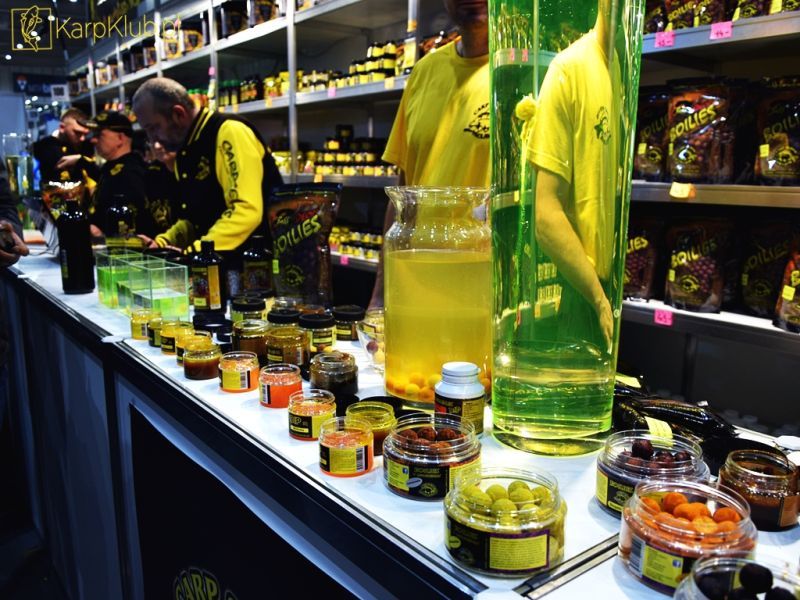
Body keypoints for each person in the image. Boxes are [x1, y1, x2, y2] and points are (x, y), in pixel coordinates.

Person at [369, 0, 490, 308]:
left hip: (486, 284)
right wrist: (380, 294)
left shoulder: (526, 73)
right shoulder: (424, 71)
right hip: (420, 278)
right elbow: (403, 193)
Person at [526, 0, 625, 350]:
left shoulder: (613, 63)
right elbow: (546, 217)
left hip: (603, 290)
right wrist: (598, 300)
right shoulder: (569, 68)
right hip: (579, 295)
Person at [131, 77, 283, 254]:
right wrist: (162, 243)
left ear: (178, 114)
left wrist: (195, 252)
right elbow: (195, 219)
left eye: (153, 127)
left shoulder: (229, 131)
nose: (152, 139)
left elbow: (245, 211)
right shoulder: (185, 148)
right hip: (216, 262)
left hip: (256, 264)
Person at [82, 111, 158, 239]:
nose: (93, 140)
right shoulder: (112, 167)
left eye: (99, 134)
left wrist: (103, 235)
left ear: (120, 138)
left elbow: (137, 224)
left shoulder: (130, 173)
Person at [32, 107, 92, 185]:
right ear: (62, 127)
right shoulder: (43, 147)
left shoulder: (86, 146)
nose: (82, 138)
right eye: (77, 133)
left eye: (85, 134)